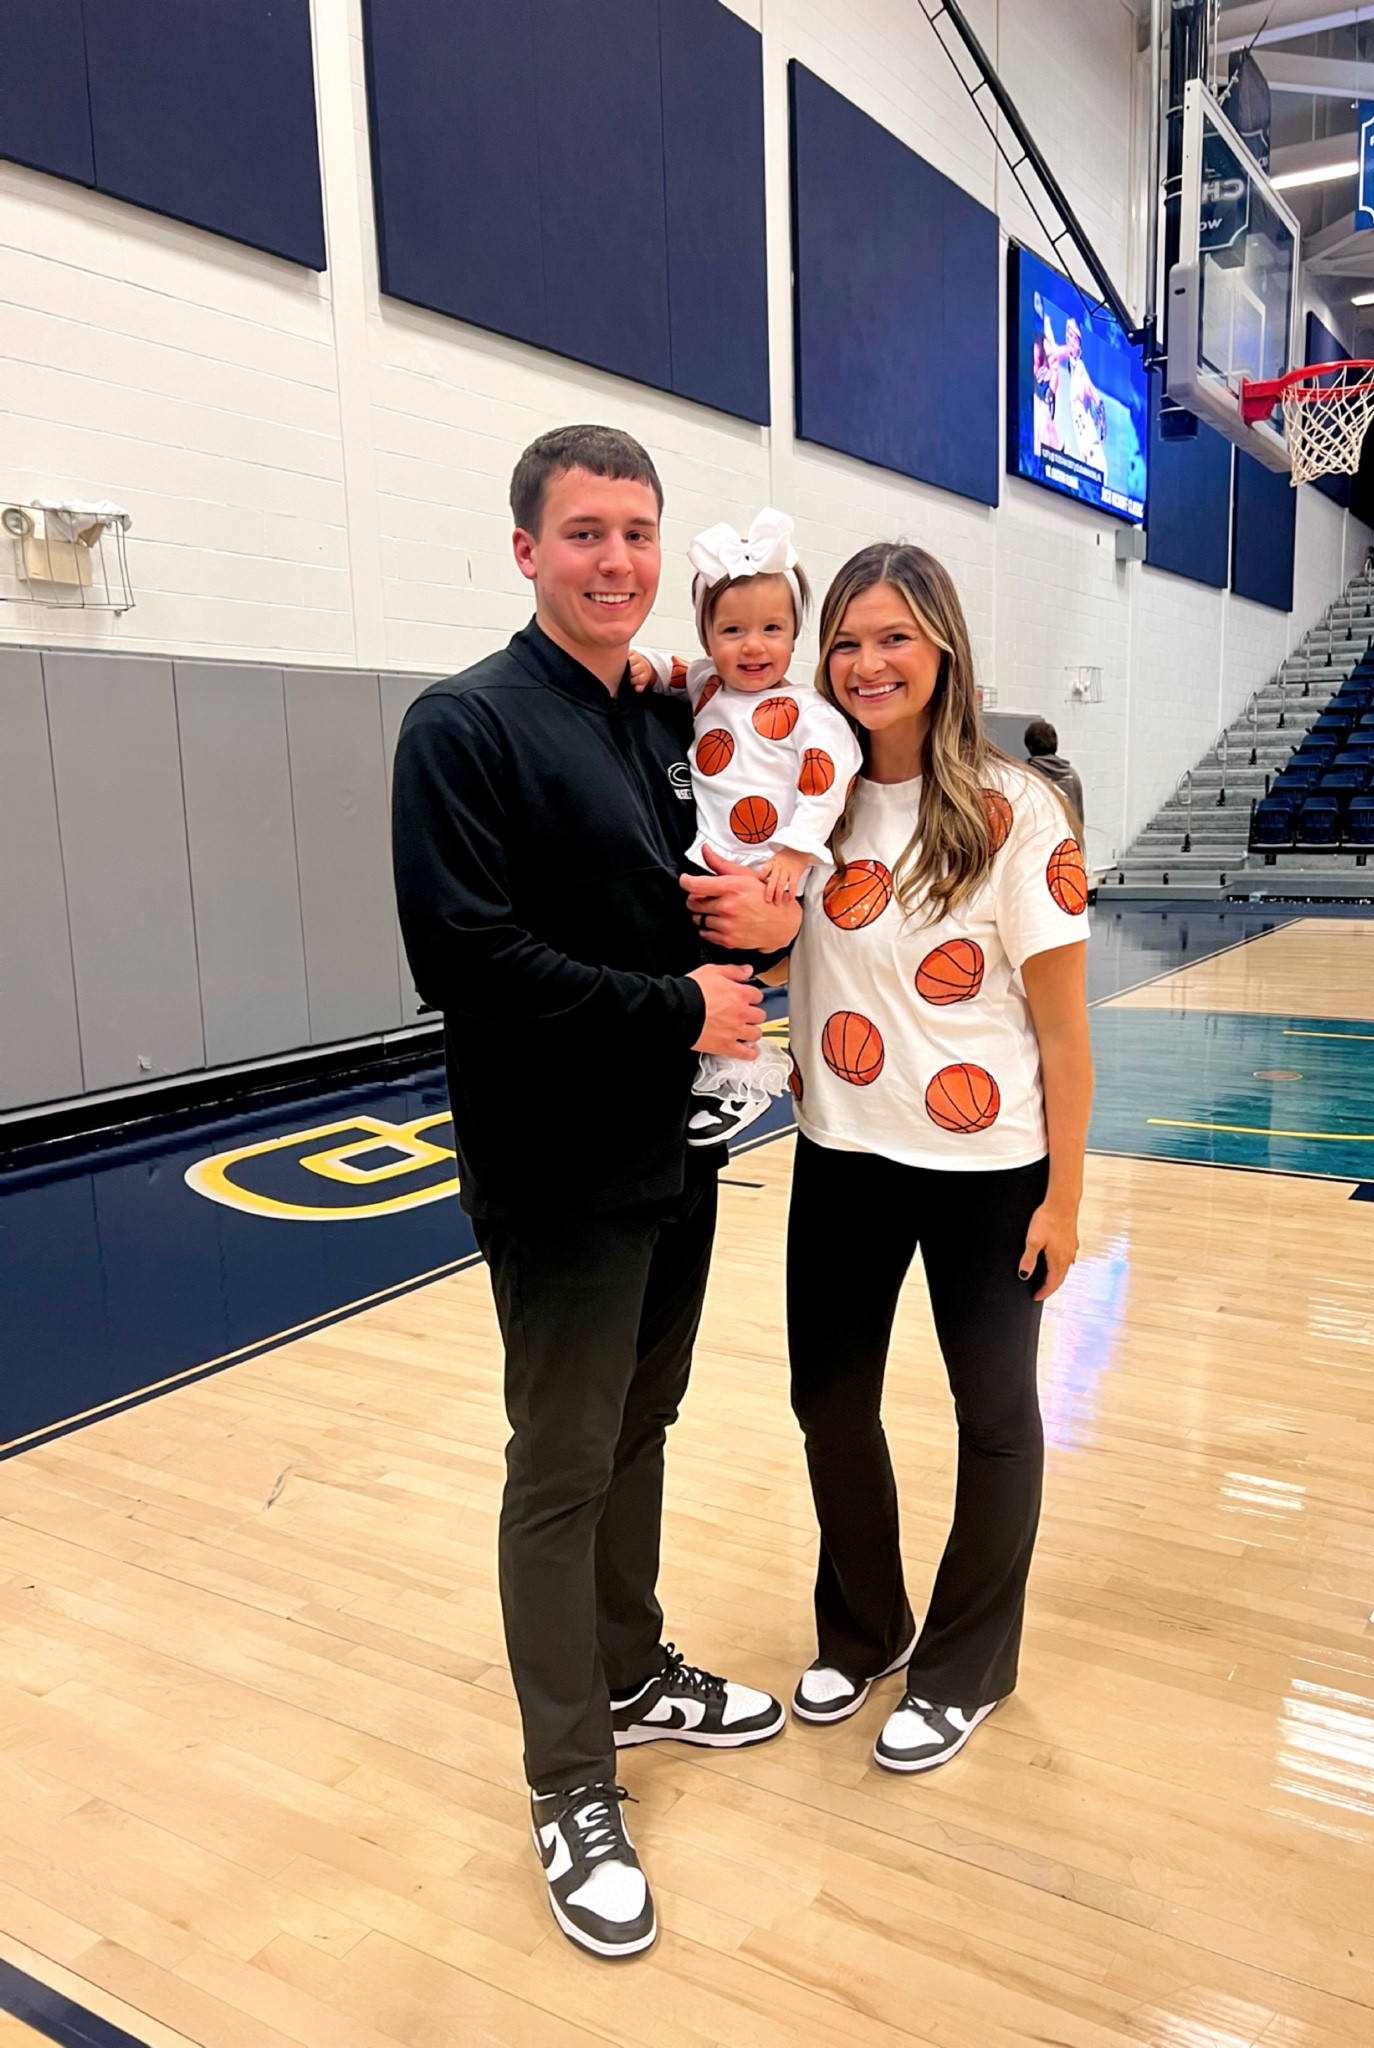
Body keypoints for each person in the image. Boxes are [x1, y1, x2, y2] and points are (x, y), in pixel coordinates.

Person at [391, 425, 798, 1962]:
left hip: (672, 1151)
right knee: (559, 1466)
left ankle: (631, 1667)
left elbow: (690, 891)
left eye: (637, 533)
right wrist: (681, 1009)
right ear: (526, 552)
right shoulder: (465, 725)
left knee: (644, 1423)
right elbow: (468, 964)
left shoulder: (651, 718)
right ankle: (572, 1781)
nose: (617, 560)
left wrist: (751, 927)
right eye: (585, 535)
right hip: (556, 1172)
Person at [764, 542, 1093, 1773]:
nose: (866, 663)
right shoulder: (814, 802)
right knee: (828, 1404)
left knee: (995, 1417)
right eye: (845, 641)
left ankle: (965, 1667)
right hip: (842, 1153)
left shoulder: (1018, 810)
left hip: (990, 1169)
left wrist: (1065, 1193)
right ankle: (867, 1624)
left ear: (942, 646)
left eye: (892, 636)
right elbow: (717, 704)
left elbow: (1064, 1031)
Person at [630, 507, 862, 1145]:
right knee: (695, 964)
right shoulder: (708, 685)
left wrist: (794, 853)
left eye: (771, 628)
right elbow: (676, 669)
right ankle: (719, 1064)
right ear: (709, 636)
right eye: (732, 629)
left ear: (794, 635)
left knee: (731, 968)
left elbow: (827, 779)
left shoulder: (810, 712)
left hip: (764, 870)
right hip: (708, 857)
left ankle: (746, 1068)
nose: (752, 645)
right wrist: (649, 663)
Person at [1022, 718, 1085, 832]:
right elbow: (1079, 820)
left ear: (1029, 747)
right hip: (1067, 844)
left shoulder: (1024, 776)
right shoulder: (1072, 776)